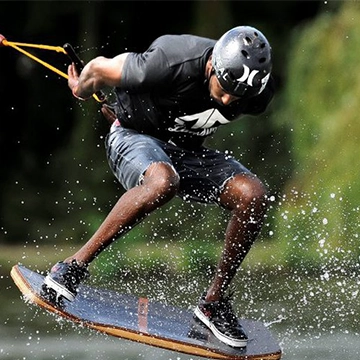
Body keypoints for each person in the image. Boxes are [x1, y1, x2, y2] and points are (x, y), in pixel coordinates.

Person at [41, 25, 274, 348]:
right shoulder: (168, 61)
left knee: (254, 195)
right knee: (163, 181)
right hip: (133, 137)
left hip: (187, 153)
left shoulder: (256, 92)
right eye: (223, 88)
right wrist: (81, 89)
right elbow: (97, 68)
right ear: (211, 67)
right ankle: (70, 269)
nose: (227, 100)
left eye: (238, 96)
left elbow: (234, 96)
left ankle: (213, 303)